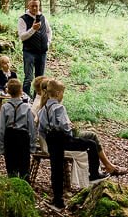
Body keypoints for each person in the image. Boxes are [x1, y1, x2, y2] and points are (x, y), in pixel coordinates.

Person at [35, 78, 108, 208]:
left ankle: (58, 200)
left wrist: (45, 142)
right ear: (57, 93)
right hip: (62, 138)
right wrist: (69, 134)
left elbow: (40, 129)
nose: (63, 95)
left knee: (56, 169)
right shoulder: (59, 108)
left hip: (51, 141)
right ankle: (94, 174)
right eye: (63, 92)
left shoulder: (43, 109)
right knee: (91, 144)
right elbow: (64, 126)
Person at [0, 78, 36, 181]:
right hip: (23, 138)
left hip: (9, 138)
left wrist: (1, 146)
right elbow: (32, 128)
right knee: (24, 166)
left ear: (8, 91)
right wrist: (32, 146)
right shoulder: (27, 107)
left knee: (11, 166)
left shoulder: (5, 107)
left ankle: (13, 188)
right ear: (21, 91)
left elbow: (1, 128)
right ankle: (24, 189)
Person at [17, 0, 50, 87]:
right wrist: (33, 29)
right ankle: (25, 99)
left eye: (36, 6)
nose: (35, 8)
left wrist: (48, 43)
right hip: (29, 52)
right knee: (29, 78)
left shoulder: (42, 17)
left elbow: (49, 31)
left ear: (39, 7)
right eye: (32, 6)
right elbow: (22, 37)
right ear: (28, 6)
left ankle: (38, 99)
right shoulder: (23, 19)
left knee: (40, 79)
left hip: (42, 52)